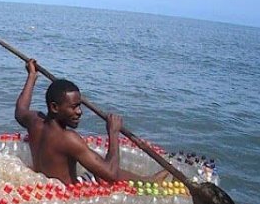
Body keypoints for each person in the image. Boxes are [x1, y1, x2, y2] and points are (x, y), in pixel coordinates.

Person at [14, 58, 168, 185]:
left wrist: (31, 76)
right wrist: (113, 133)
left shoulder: (35, 122)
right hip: (67, 194)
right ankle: (149, 182)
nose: (79, 112)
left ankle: (146, 180)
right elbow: (112, 174)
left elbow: (20, 110)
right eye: (73, 107)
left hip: (47, 186)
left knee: (96, 167)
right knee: (104, 171)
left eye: (79, 105)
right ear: (54, 107)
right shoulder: (67, 138)